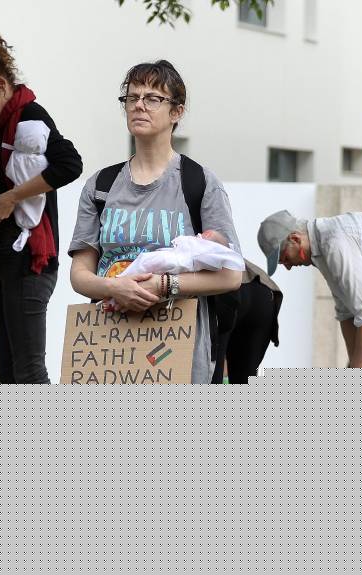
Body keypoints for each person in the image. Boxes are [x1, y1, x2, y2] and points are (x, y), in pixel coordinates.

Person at [68, 60, 243, 384]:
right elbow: (79, 275)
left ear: (176, 112)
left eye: (152, 98)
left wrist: (164, 285)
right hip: (110, 344)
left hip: (178, 345)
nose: (139, 106)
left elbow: (232, 275)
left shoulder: (199, 182)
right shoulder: (101, 185)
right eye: (132, 98)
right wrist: (112, 287)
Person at [0, 32, 83, 384]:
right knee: (7, 372)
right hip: (3, 259)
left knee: (28, 372)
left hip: (31, 261)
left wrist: (12, 197)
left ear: (0, 83)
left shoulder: (31, 116)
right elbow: (7, 179)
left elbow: (69, 164)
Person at [259, 210, 362, 368]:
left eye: (285, 258)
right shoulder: (321, 247)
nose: (288, 267)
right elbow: (346, 313)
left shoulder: (334, 243)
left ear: (295, 239)